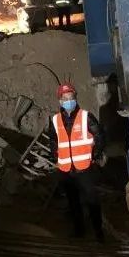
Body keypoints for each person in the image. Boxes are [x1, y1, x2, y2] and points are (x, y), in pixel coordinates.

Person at [48, 82, 105, 242]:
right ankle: (79, 232)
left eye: (70, 97)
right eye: (64, 98)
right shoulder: (55, 120)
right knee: (73, 203)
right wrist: (56, 158)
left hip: (84, 168)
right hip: (66, 169)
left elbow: (99, 136)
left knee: (92, 201)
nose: (68, 101)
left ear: (75, 98)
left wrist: (95, 155)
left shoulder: (86, 116)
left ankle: (98, 232)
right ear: (60, 101)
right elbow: (53, 141)